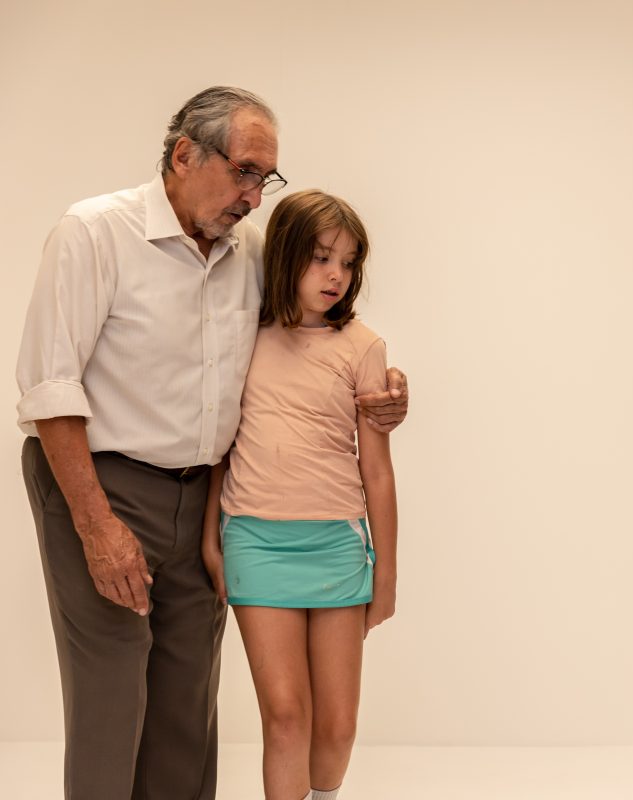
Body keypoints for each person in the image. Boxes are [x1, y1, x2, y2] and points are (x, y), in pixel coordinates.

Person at [15, 87, 409, 799]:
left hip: (207, 497)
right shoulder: (94, 233)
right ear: (184, 156)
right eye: (244, 172)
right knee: (112, 691)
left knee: (186, 700)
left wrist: (385, 389)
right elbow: (50, 388)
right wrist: (96, 524)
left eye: (266, 178)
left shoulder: (249, 252)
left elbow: (310, 338)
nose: (255, 196)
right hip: (101, 482)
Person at [202, 190, 394, 799]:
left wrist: (386, 575)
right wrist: (211, 540)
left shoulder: (364, 348)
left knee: (336, 728)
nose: (336, 275)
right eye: (321, 258)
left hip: (337, 547)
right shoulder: (244, 339)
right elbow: (219, 447)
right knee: (286, 717)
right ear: (285, 255)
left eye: (349, 262)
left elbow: (378, 471)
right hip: (255, 543)